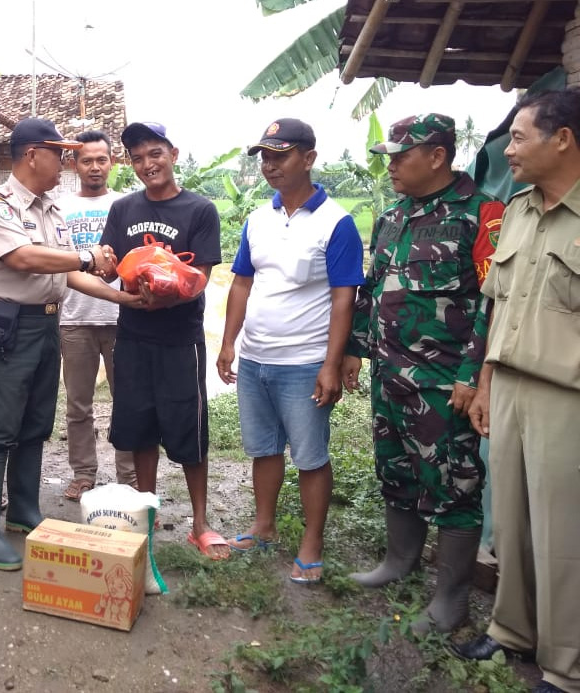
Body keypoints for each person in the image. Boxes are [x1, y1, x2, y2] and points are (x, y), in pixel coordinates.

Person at [342, 114, 503, 633]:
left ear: (437, 155)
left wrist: (472, 375)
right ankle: (398, 562)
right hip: (391, 374)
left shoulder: (481, 215)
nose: (390, 165)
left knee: (453, 483)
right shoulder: (392, 215)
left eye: (400, 156)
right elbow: (374, 288)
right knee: (397, 471)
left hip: (443, 382)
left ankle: (450, 601)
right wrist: (354, 348)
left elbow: (492, 304)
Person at [453, 90, 580, 693]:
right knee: (511, 520)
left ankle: (565, 666)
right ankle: (512, 631)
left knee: (564, 533)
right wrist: (484, 383)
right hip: (507, 387)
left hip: (567, 397)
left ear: (564, 139)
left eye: (521, 137)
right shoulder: (521, 208)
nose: (509, 150)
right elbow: (497, 308)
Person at [0, 117, 127, 571]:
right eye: (60, 152)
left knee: (36, 423)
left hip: (45, 325)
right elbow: (22, 257)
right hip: (4, 326)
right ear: (33, 154)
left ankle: (22, 510)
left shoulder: (51, 209)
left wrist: (119, 295)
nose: (67, 162)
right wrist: (85, 256)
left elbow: (69, 273)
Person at [217, 118, 363, 583]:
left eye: (280, 155)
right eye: (264, 156)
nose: (269, 165)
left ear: (308, 158)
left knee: (310, 456)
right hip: (258, 358)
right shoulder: (257, 219)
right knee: (263, 449)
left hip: (304, 363)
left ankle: (312, 542)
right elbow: (242, 282)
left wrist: (330, 363)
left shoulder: (336, 222)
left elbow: (345, 298)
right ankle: (264, 526)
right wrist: (228, 342)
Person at [99, 122, 226, 559]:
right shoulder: (122, 209)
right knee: (140, 431)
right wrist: (106, 271)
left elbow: (203, 277)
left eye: (154, 153)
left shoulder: (199, 210)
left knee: (189, 432)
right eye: (137, 158)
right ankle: (145, 519)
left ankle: (200, 523)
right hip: (133, 337)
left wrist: (168, 290)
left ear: (172, 152)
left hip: (180, 341)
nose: (147, 164)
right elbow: (111, 267)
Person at [58, 130, 137, 501]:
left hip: (122, 318)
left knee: (128, 400)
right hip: (74, 318)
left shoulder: (127, 206)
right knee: (78, 404)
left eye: (101, 159)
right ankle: (83, 473)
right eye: (86, 160)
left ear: (112, 162)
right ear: (75, 164)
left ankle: (130, 476)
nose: (94, 167)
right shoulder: (59, 207)